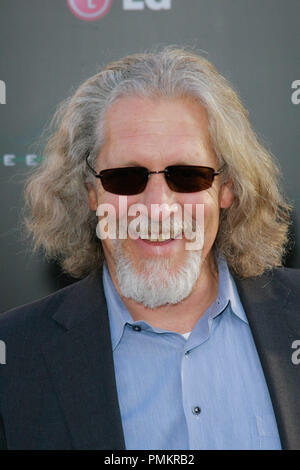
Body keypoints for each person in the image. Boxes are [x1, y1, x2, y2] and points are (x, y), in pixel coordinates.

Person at [0, 47, 299, 450]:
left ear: (227, 188)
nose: (157, 208)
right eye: (125, 177)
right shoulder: (14, 358)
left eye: (188, 176)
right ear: (91, 192)